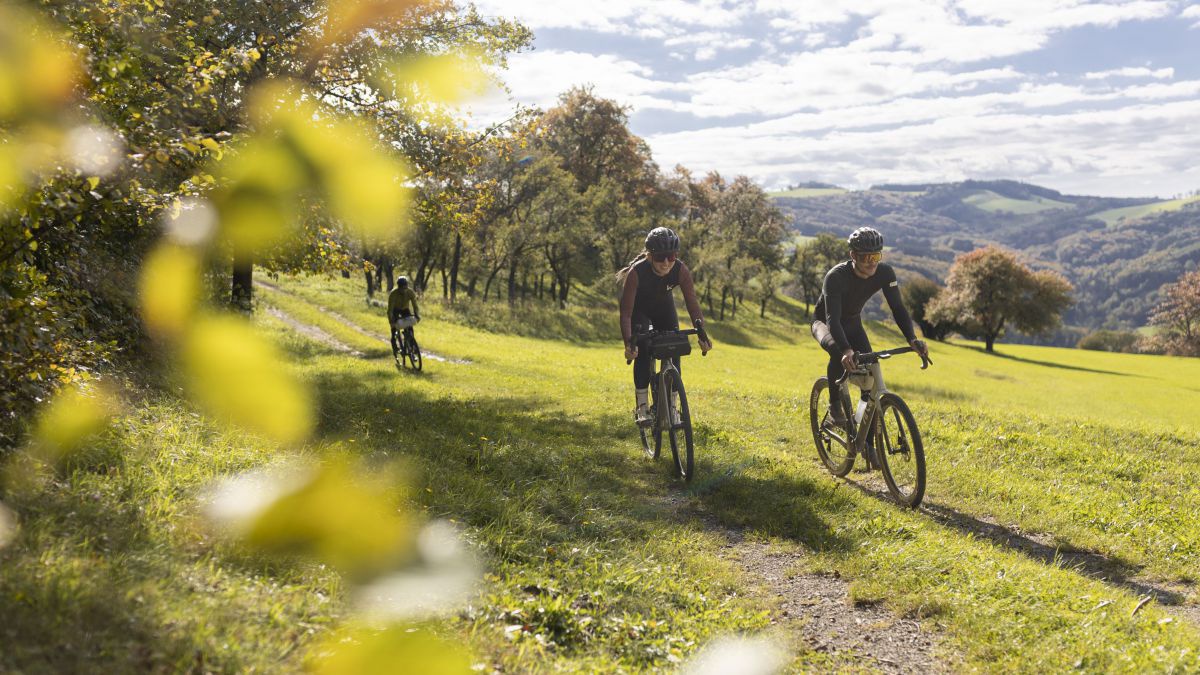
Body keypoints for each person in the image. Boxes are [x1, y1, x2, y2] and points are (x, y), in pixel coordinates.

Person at [812, 227, 928, 425]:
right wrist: (846, 349)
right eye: (866, 257)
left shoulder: (885, 273)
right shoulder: (835, 277)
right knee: (837, 351)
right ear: (853, 255)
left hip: (853, 322)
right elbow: (832, 319)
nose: (872, 262)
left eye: (876, 256)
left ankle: (867, 442)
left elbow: (898, 308)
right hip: (825, 323)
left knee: (871, 372)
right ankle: (835, 406)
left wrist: (912, 339)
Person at [618, 227, 712, 425]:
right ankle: (642, 407)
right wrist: (629, 344)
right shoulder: (637, 272)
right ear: (650, 256)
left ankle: (671, 407)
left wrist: (702, 334)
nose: (667, 262)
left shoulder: (680, 270)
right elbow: (626, 313)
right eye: (661, 257)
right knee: (642, 350)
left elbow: (692, 304)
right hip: (639, 311)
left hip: (664, 309)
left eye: (671, 256)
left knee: (674, 347)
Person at [388, 275, 420, 354]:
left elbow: (415, 305)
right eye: (401, 288)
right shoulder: (393, 294)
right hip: (395, 310)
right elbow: (390, 309)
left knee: (410, 326)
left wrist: (417, 315)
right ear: (398, 287)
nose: (403, 290)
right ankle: (395, 346)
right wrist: (391, 320)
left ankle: (412, 346)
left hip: (405, 309)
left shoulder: (410, 292)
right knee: (394, 329)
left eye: (405, 287)